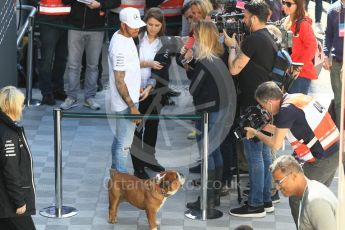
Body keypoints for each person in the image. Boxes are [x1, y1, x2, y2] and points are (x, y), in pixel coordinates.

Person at [245, 81, 339, 225]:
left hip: (322, 159)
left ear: (269, 102)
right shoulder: (295, 99)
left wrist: (256, 133)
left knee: (297, 195)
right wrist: (263, 126)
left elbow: (275, 144)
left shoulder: (286, 111)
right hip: (333, 151)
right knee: (316, 198)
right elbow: (284, 128)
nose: (265, 110)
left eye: (263, 106)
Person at [225, 0, 276, 218]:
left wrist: (232, 47)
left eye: (245, 17)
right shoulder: (270, 38)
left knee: (254, 153)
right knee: (263, 153)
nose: (243, 21)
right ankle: (265, 198)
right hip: (266, 103)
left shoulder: (254, 39)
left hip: (252, 105)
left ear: (254, 18)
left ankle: (255, 204)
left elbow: (235, 69)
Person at [185, 20, 235, 216]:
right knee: (214, 151)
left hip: (208, 112)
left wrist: (191, 67)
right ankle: (212, 195)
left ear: (202, 37)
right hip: (220, 109)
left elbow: (193, 88)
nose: (194, 39)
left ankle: (208, 197)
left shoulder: (204, 61)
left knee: (207, 153)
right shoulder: (219, 55)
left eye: (196, 36)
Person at [60, 0, 120, 110]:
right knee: (73, 65)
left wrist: (100, 4)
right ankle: (71, 97)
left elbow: (116, 2)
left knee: (93, 65)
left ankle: (90, 97)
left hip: (96, 27)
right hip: (75, 26)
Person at [107, 7, 146, 173]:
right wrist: (132, 107)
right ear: (123, 25)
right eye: (133, 25)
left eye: (138, 24)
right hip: (125, 102)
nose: (137, 28)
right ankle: (121, 183)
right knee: (124, 144)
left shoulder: (126, 37)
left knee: (120, 140)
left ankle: (115, 176)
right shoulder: (119, 47)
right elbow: (119, 81)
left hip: (127, 98)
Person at [130, 7, 166, 179]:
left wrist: (150, 87)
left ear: (161, 25)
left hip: (153, 91)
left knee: (152, 127)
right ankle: (138, 166)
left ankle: (149, 159)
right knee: (137, 128)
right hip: (134, 88)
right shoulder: (136, 38)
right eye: (150, 24)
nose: (153, 28)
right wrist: (149, 64)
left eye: (157, 25)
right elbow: (129, 63)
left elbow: (162, 68)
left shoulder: (163, 43)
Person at [0, 86, 36, 230]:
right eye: (20, 105)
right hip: (9, 204)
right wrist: (19, 201)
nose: (22, 108)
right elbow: (11, 171)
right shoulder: (8, 134)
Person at [270, 155, 338, 230]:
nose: (277, 187)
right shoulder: (308, 192)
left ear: (294, 176)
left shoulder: (315, 201)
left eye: (279, 182)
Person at [34, 0, 70, 105]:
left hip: (67, 19)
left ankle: (58, 89)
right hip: (47, 19)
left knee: (62, 58)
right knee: (47, 59)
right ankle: (46, 92)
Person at [281, 0, 317, 94]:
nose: (285, 6)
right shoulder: (287, 21)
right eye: (283, 2)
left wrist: (298, 67)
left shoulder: (303, 24)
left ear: (298, 5)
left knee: (294, 107)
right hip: (290, 72)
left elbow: (312, 47)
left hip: (301, 74)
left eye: (288, 4)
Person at [323, 0, 344, 129]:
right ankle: (341, 139)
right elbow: (328, 34)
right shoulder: (333, 10)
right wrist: (325, 54)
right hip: (337, 62)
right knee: (339, 102)